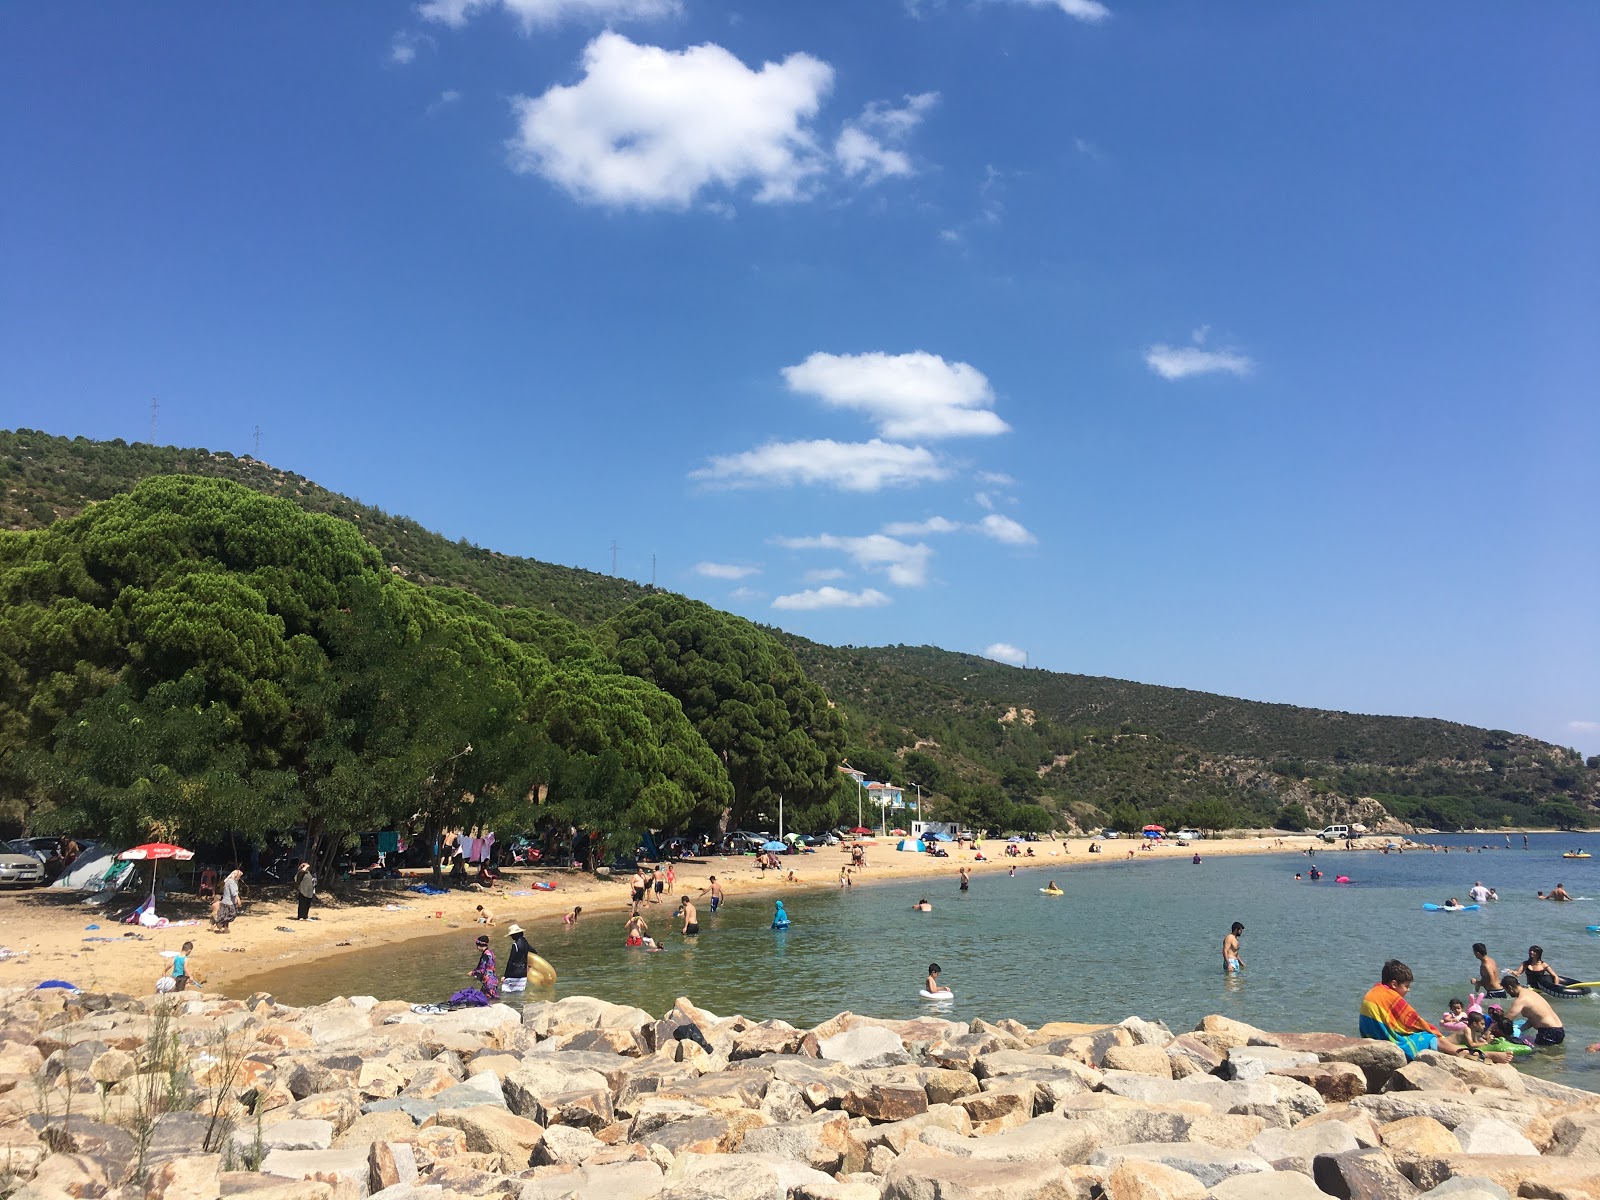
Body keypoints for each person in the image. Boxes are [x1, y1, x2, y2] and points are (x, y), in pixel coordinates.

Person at [1359, 959, 1441, 1060]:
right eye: (1406, 986)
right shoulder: (1391, 997)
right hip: (1391, 1045)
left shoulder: (1373, 992)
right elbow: (1414, 1021)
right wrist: (1434, 1032)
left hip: (1372, 1040)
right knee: (1430, 1037)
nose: (1408, 990)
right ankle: (1459, 1050)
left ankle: (1458, 1039)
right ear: (1394, 984)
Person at [1500, 975, 1565, 1045]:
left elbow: (1506, 1020)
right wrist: (1520, 1030)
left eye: (1507, 991)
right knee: (1553, 1054)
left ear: (1510, 987)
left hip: (1549, 1032)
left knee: (1539, 1055)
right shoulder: (1532, 994)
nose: (1508, 993)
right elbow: (1535, 1018)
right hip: (1559, 1030)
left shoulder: (1521, 999)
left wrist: (1490, 1030)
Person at [502, 924, 533, 993]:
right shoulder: (525, 943)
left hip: (514, 973)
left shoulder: (515, 945)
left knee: (507, 992)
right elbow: (534, 952)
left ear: (514, 935)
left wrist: (505, 975)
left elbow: (510, 961)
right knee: (520, 993)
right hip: (523, 973)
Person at [470, 934, 500, 1000]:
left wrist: (473, 973)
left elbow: (482, 970)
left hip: (488, 981)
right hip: (494, 979)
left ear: (480, 945)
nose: (477, 948)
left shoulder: (485, 954)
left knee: (490, 999)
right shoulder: (491, 952)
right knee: (488, 997)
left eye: (477, 946)